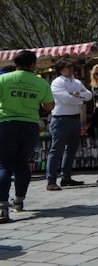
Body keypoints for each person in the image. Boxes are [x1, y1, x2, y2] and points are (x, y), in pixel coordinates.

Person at [0, 50, 54, 222]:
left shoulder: (4, 79)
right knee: (22, 163)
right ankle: (19, 200)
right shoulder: (40, 82)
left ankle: (2, 207)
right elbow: (49, 106)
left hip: (7, 124)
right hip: (30, 125)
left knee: (4, 165)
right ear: (32, 64)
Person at [46, 59, 92, 190]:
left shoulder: (76, 82)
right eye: (68, 67)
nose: (71, 69)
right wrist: (80, 100)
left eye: (72, 67)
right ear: (61, 70)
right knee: (56, 150)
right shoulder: (57, 82)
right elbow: (66, 99)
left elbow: (89, 95)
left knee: (71, 149)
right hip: (61, 119)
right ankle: (51, 180)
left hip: (75, 118)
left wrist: (77, 96)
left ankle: (66, 177)